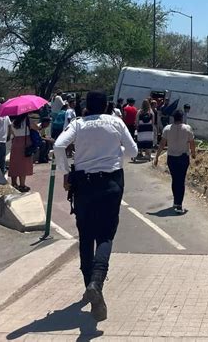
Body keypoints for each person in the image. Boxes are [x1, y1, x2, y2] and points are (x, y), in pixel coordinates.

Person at [54, 91, 138, 322]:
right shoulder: (116, 122)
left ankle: (89, 287)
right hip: (111, 183)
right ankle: (96, 283)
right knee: (105, 237)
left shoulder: (78, 124)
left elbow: (60, 146)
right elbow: (133, 152)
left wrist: (66, 172)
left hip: (84, 186)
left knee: (86, 236)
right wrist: (115, 153)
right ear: (107, 106)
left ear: (87, 107)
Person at [154, 109, 196, 213]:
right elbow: (192, 143)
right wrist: (194, 153)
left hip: (171, 157)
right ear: (182, 118)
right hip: (183, 157)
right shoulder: (187, 128)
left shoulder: (167, 129)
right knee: (181, 180)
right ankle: (179, 203)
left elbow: (162, 144)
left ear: (173, 118)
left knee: (174, 179)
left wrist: (157, 156)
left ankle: (175, 201)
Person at [9, 113, 40, 192]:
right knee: (23, 164)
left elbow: (12, 133)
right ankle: (22, 185)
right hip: (25, 143)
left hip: (15, 142)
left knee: (14, 163)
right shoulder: (27, 120)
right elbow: (37, 128)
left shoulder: (13, 122)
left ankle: (14, 183)